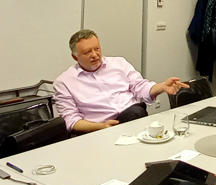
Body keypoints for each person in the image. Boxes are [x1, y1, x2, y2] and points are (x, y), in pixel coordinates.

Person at [53, 29, 189, 133]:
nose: (94, 55)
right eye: (87, 52)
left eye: (97, 49)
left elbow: (140, 87)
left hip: (133, 116)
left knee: (135, 112)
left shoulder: (119, 63)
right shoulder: (64, 82)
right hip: (98, 130)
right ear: (75, 57)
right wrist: (101, 127)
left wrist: (162, 86)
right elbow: (71, 120)